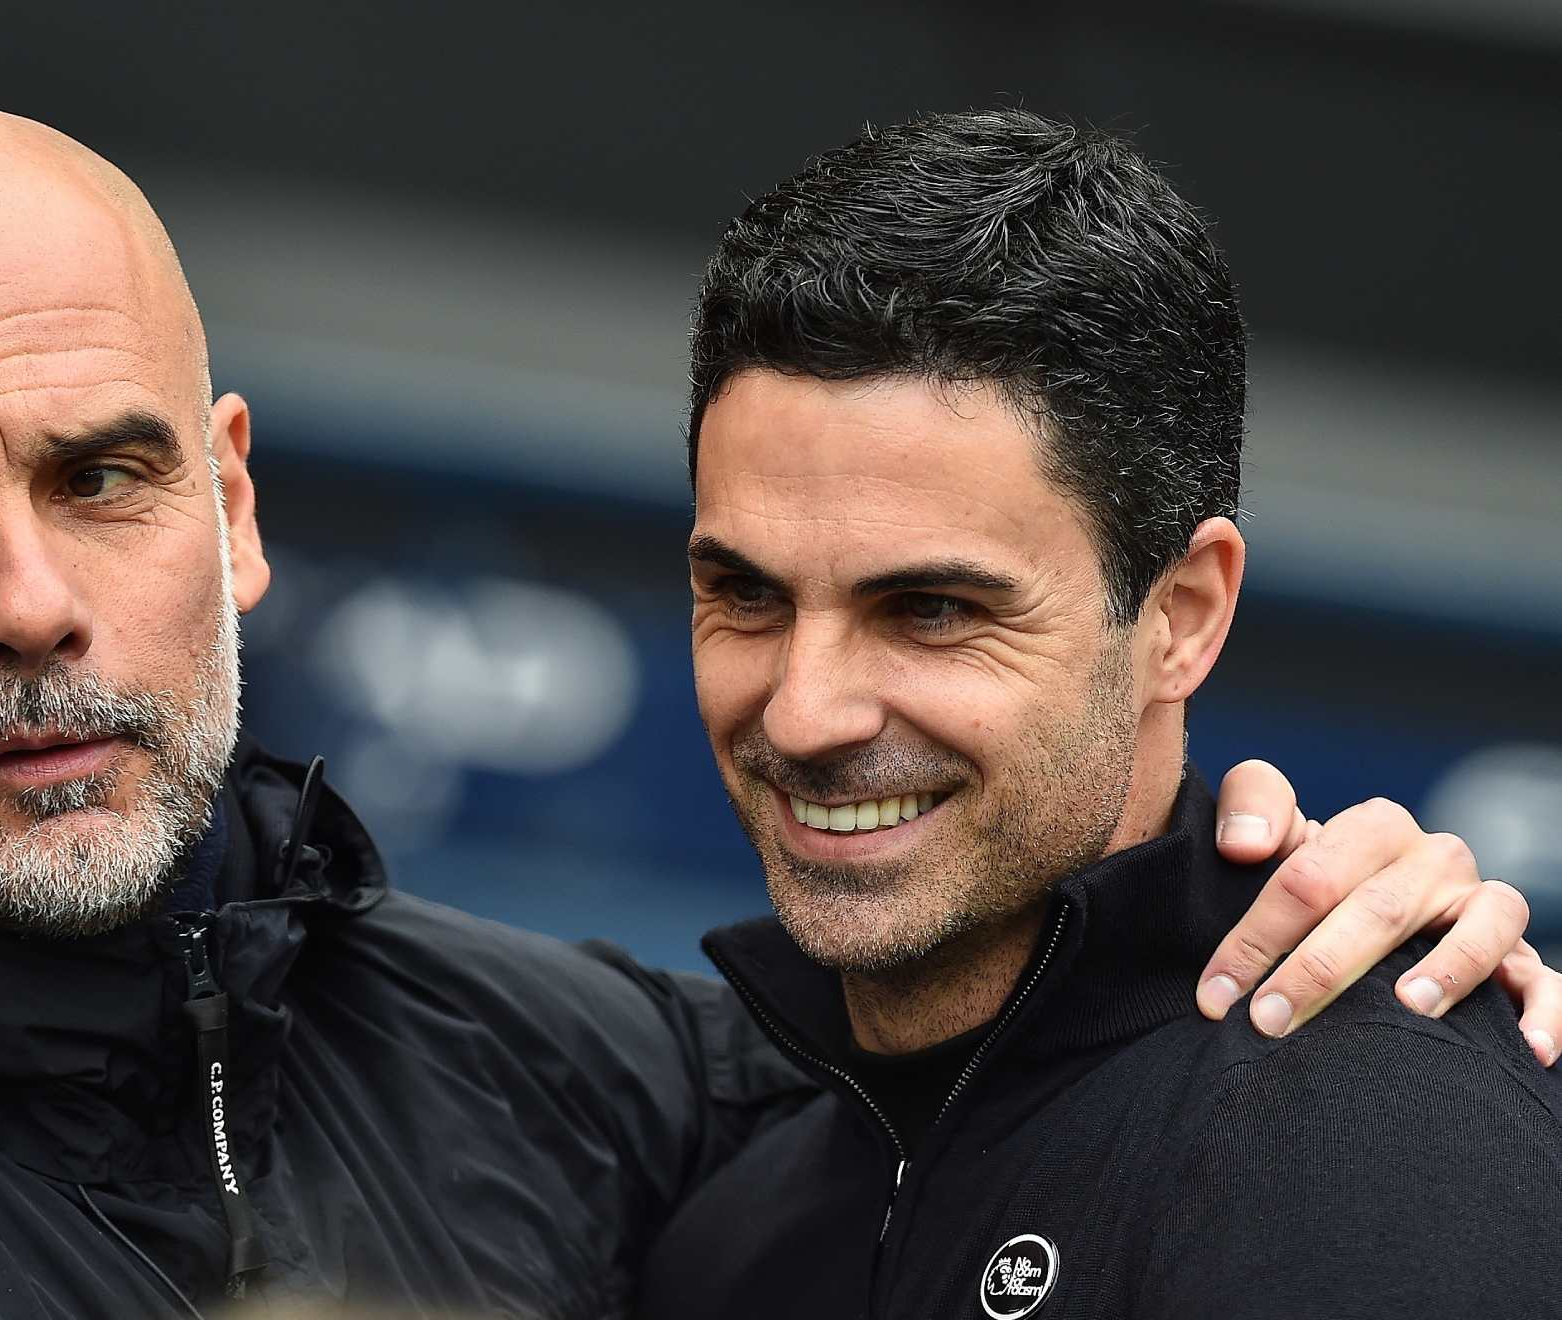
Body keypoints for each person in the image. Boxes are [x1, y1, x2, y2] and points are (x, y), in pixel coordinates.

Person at [0, 103, 1545, 1319]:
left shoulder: (585, 1072)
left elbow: (1012, 1063)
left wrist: (1331, 931)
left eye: (102, 478)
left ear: (234, 503)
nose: (29, 604)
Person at [636, 109, 1562, 1319]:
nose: (806, 713)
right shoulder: (722, 1205)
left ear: (1180, 615)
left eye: (928, 609)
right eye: (744, 593)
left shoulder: (1372, 1146)